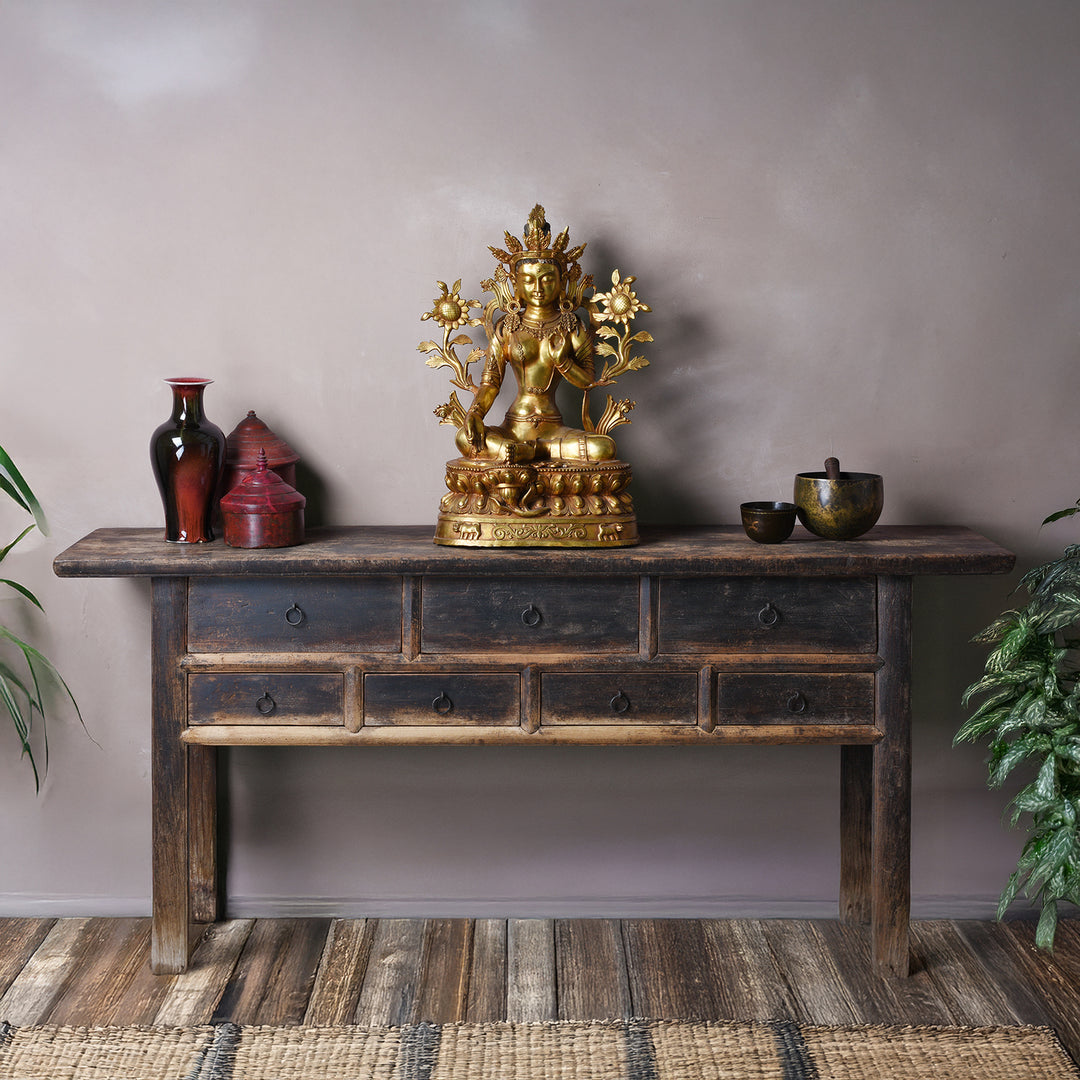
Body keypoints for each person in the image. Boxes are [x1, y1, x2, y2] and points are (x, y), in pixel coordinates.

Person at [456, 209, 615, 465]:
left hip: (554, 431)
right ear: (516, 285)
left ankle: (535, 452)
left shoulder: (571, 325)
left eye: (547, 279)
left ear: (562, 283)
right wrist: (475, 413)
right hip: (512, 430)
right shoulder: (507, 326)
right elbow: (491, 383)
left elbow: (587, 382)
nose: (538, 288)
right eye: (529, 280)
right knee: (465, 437)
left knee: (603, 448)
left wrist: (563, 362)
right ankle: (524, 450)